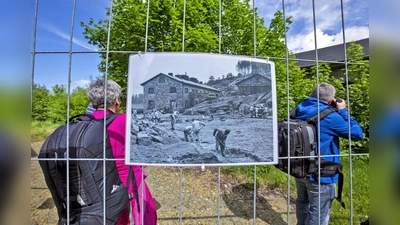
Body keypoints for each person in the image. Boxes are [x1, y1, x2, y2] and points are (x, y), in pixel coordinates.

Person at [87, 79, 157, 225]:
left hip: (93, 186)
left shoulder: (83, 123)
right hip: (126, 187)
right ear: (117, 101)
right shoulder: (125, 120)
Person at [294, 83, 363, 225]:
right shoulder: (329, 116)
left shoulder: (299, 109)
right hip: (321, 172)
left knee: (303, 203)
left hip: (299, 167)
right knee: (319, 213)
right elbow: (357, 133)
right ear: (331, 99)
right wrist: (343, 111)